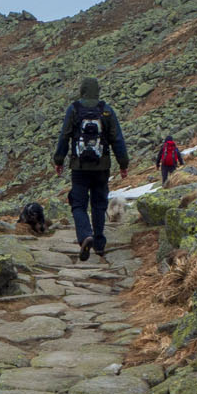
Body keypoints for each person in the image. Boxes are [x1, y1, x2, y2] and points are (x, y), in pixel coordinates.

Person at [53, 76, 130, 260]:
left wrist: (59, 160)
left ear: (82, 90)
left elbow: (65, 136)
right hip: (101, 167)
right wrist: (123, 164)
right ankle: (99, 244)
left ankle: (85, 235)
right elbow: (117, 139)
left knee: (78, 204)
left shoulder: (74, 109)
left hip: (79, 167)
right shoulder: (106, 110)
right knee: (98, 204)